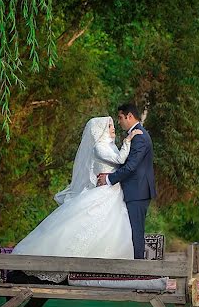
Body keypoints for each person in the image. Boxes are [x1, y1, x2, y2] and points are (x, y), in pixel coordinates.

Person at [9, 116, 140, 282]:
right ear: (99, 130)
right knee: (87, 225)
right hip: (104, 192)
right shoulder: (98, 147)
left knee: (111, 229)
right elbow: (120, 160)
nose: (113, 128)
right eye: (109, 126)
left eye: (113, 125)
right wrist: (128, 139)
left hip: (113, 192)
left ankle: (108, 268)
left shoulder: (110, 146)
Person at [96, 103, 156, 259]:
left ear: (129, 116)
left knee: (136, 231)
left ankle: (138, 270)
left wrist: (109, 178)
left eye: (121, 117)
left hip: (138, 190)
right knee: (130, 230)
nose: (119, 121)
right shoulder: (134, 135)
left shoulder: (140, 137)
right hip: (134, 190)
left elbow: (131, 167)